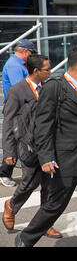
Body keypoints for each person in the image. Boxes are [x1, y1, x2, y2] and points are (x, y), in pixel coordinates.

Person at [15, 47, 77, 247]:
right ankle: (25, 238)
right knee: (56, 205)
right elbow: (43, 125)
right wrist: (46, 157)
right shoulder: (55, 87)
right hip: (66, 159)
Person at [2, 55, 61, 239]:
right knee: (29, 183)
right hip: (28, 146)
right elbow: (9, 123)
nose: (50, 72)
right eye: (47, 69)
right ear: (36, 71)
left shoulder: (49, 88)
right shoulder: (16, 91)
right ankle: (12, 205)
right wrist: (9, 151)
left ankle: (45, 224)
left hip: (48, 145)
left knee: (50, 186)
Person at [0, 39, 36, 188]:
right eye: (32, 53)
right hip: (17, 108)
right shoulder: (15, 66)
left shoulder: (17, 64)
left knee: (17, 138)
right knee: (14, 138)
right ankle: (4, 173)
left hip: (19, 107)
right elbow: (19, 88)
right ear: (25, 51)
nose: (32, 56)